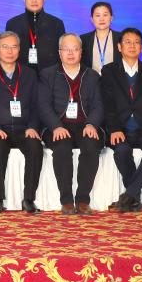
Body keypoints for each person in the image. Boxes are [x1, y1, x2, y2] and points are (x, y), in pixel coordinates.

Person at [0, 31, 44, 214]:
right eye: (5, 47)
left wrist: (32, 127)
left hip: (24, 129)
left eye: (14, 47)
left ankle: (29, 199)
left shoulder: (29, 74)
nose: (9, 51)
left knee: (35, 146)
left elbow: (36, 105)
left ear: (19, 49)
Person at [39, 33, 105, 215]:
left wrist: (91, 124)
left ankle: (83, 200)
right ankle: (67, 200)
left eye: (75, 49)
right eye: (66, 49)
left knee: (91, 145)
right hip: (58, 125)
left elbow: (99, 105)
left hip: (85, 125)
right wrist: (55, 126)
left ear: (81, 52)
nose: (70, 53)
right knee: (61, 147)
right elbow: (43, 105)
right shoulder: (48, 74)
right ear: (59, 52)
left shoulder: (92, 75)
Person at [101, 28, 142, 213]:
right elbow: (108, 104)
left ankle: (129, 195)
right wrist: (114, 129)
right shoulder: (109, 71)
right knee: (121, 151)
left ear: (141, 47)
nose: (132, 46)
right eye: (127, 42)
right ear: (119, 47)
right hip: (120, 129)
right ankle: (133, 197)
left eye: (136, 42)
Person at [4, 0, 65, 71]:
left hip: (49, 73)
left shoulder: (56, 23)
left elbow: (62, 52)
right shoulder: (13, 23)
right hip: (21, 73)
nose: (34, 1)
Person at [80, 2, 121, 74]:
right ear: (92, 19)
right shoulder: (83, 39)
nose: (101, 19)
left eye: (105, 15)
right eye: (98, 15)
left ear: (111, 18)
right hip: (91, 80)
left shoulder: (121, 38)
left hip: (115, 80)